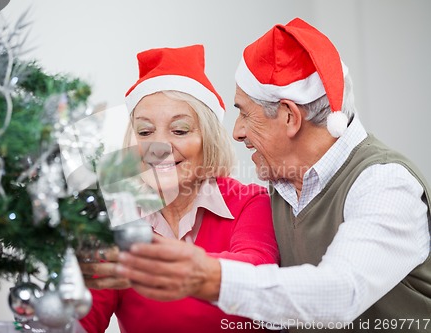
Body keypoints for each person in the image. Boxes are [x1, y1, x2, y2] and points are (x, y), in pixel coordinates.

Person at [115, 18, 431, 332]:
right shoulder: (282, 188)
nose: (237, 132)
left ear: (290, 117)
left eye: (244, 113)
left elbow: (340, 295)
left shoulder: (385, 184)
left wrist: (207, 275)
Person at [79, 44, 279, 333]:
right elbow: (83, 318)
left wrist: (148, 257)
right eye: (145, 132)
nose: (159, 147)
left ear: (207, 139)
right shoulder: (116, 217)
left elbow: (256, 271)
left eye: (180, 130)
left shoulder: (249, 202)